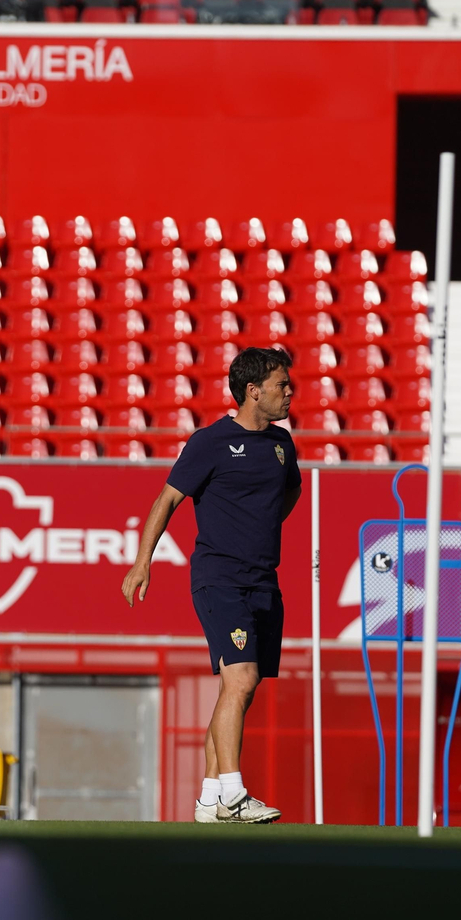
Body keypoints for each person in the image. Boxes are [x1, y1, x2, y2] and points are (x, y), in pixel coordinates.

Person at [122, 347, 300, 824]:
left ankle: (206, 800)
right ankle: (233, 794)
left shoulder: (283, 445)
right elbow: (167, 499)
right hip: (219, 578)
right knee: (240, 681)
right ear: (252, 391)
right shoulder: (210, 442)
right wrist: (143, 562)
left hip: (265, 581)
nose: (290, 393)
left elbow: (291, 492)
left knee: (237, 688)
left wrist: (259, 528)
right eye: (282, 385)